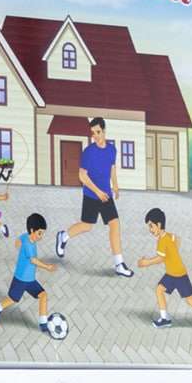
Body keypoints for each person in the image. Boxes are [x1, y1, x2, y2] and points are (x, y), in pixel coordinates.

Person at [57, 117, 133, 277]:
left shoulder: (112, 150)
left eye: (98, 132)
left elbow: (112, 168)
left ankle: (119, 264)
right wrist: (97, 192)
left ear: (104, 131)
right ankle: (63, 236)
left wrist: (115, 185)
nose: (95, 136)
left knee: (115, 224)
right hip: (91, 195)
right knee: (87, 226)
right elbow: (82, 176)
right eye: (93, 133)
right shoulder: (88, 152)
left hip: (106, 195)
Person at [138, 208, 192, 333]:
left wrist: (146, 263)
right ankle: (165, 318)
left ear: (158, 225)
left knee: (189, 299)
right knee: (159, 289)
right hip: (171, 274)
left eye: (151, 226)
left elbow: (160, 258)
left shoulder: (162, 241)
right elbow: (178, 239)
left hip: (179, 275)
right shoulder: (170, 236)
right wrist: (173, 255)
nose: (150, 229)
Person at [0, 213, 58, 332]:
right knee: (12, 299)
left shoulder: (26, 236)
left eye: (42, 233)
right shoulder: (29, 245)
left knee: (43, 295)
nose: (41, 236)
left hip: (30, 280)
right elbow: (33, 260)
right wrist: (47, 267)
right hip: (21, 279)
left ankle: (43, 323)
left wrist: (19, 247)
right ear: (32, 230)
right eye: (40, 233)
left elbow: (17, 241)